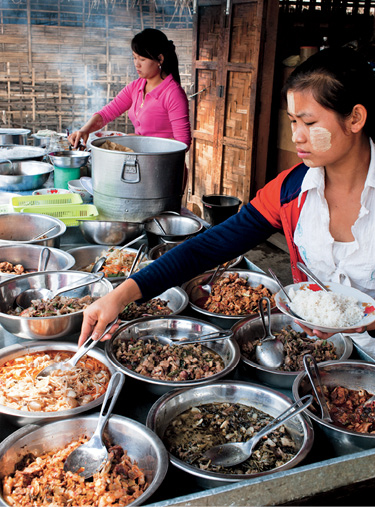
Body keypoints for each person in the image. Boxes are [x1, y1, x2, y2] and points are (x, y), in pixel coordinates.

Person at [78, 46, 375, 347]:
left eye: (309, 123)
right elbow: (207, 248)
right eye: (293, 121)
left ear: (355, 118)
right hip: (323, 351)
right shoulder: (291, 189)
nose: (297, 136)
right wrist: (119, 296)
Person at [68, 28, 191, 149]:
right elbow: (106, 114)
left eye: (142, 59)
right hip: (141, 163)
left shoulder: (173, 94)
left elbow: (182, 143)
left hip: (165, 166)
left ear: (160, 59)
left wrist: (139, 141)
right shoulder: (136, 87)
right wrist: (85, 129)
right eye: (134, 57)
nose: (136, 64)